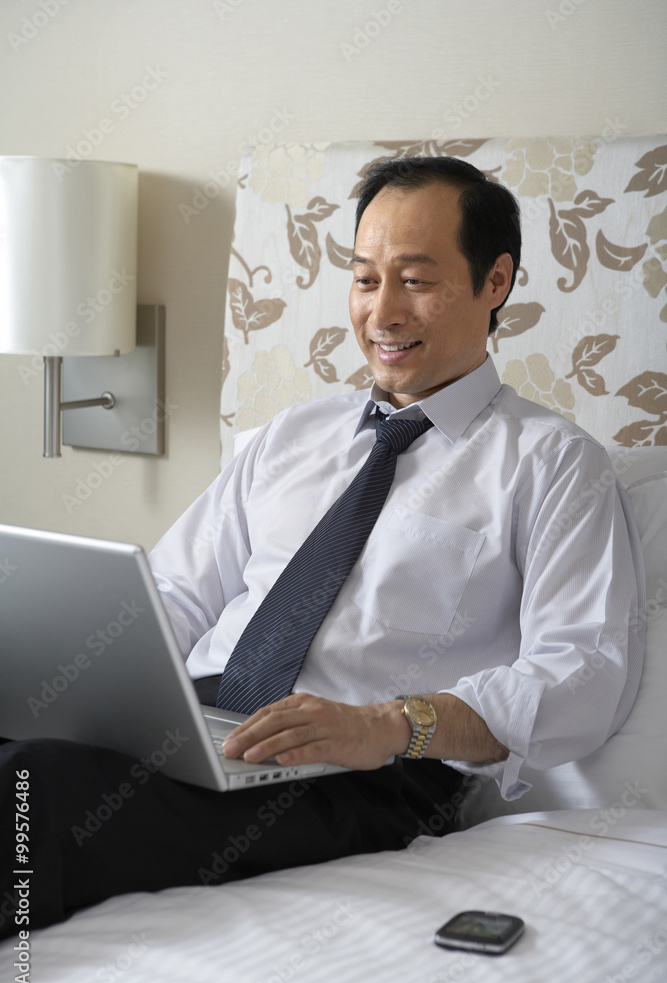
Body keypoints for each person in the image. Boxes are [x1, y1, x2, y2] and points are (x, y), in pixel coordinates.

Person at [0, 156, 644, 940]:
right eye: (365, 279)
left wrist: (386, 724)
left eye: (415, 279)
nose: (382, 312)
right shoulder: (290, 436)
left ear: (495, 280)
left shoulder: (549, 463)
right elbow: (172, 594)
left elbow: (582, 674)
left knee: (37, 785)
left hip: (366, 778)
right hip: (209, 730)